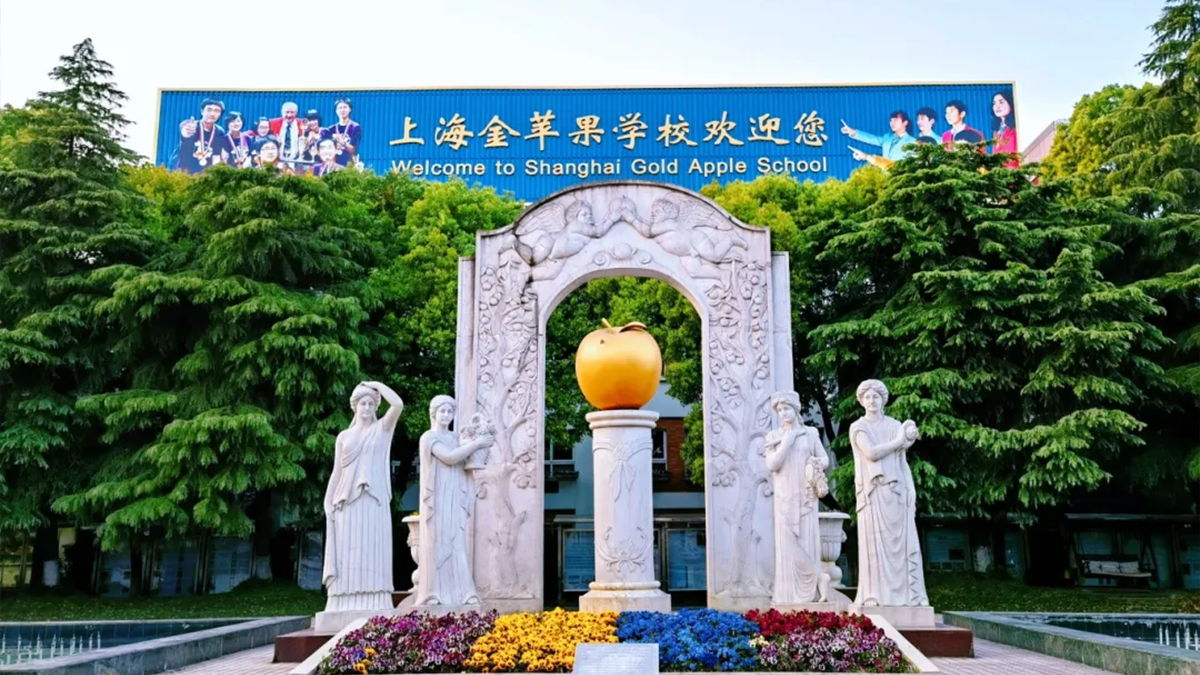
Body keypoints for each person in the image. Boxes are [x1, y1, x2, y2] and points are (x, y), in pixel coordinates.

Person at [322, 381, 403, 613]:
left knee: (373, 549)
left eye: (370, 404)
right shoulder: (344, 437)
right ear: (354, 407)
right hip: (346, 502)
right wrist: (328, 500)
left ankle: (376, 598)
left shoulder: (383, 430)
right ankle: (341, 600)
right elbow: (337, 471)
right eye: (362, 403)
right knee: (348, 553)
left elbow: (397, 404)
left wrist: (376, 385)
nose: (366, 408)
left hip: (374, 500)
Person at [849, 379, 929, 609]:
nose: (872, 401)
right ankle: (875, 595)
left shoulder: (895, 424)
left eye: (876, 397)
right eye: (867, 397)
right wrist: (899, 440)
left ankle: (906, 597)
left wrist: (910, 489)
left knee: (900, 545)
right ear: (861, 401)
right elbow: (871, 453)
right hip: (874, 495)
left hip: (896, 491)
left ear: (883, 400)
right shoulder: (859, 427)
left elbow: (903, 460)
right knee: (875, 546)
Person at [416, 395, 493, 606]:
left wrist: (481, 440)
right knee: (437, 543)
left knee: (456, 543)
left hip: (455, 494)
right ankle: (433, 594)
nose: (447, 416)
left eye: (450, 412)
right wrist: (477, 443)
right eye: (442, 411)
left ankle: (463, 592)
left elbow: (465, 458)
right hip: (439, 495)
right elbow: (449, 457)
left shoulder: (455, 437)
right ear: (433, 413)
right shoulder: (428, 437)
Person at [763, 390, 830, 605]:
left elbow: (825, 459)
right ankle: (815, 578)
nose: (782, 413)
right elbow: (772, 464)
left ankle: (812, 588)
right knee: (787, 542)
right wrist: (786, 443)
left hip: (807, 497)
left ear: (796, 409)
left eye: (786, 408)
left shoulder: (810, 433)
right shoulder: (774, 437)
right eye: (779, 410)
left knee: (805, 540)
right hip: (784, 498)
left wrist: (815, 464)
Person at [841, 111, 916, 168]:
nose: (892, 123)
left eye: (895, 120)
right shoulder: (887, 138)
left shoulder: (913, 142)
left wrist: (866, 156)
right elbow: (872, 139)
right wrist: (853, 132)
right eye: (891, 120)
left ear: (905, 123)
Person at [176, 97, 228, 174]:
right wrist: (186, 131)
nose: (212, 114)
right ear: (202, 111)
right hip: (185, 172)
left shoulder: (220, 131)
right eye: (209, 110)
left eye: (217, 111)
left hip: (206, 175)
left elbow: (216, 155)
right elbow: (184, 130)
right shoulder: (191, 125)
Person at [326, 97, 362, 167]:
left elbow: (353, 150)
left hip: (349, 164)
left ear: (350, 109)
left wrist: (342, 142)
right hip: (333, 164)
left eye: (345, 107)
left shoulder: (355, 127)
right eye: (340, 108)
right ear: (336, 111)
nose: (342, 110)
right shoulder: (331, 129)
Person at [990, 90, 1019, 167]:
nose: (997, 106)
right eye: (994, 103)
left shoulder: (1016, 128)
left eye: (1001, 102)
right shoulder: (996, 132)